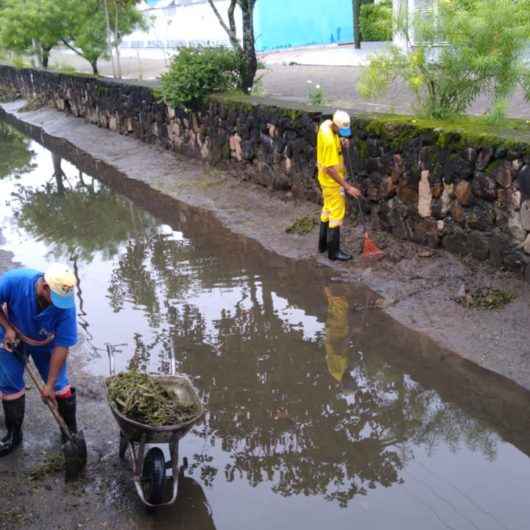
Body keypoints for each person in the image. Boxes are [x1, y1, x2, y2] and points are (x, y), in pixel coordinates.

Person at [0, 264, 78, 457]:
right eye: (56, 299)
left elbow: (62, 347)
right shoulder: (14, 281)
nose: (61, 305)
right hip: (14, 335)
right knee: (10, 382)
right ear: (44, 287)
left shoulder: (66, 307)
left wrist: (49, 385)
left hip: (46, 342)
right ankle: (14, 435)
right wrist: (7, 327)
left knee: (60, 386)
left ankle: (70, 433)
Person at [317, 110, 361, 261]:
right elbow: (330, 169)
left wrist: (340, 142)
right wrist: (347, 187)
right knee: (336, 215)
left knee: (327, 211)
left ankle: (322, 245)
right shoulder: (329, 141)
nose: (343, 133)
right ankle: (333, 253)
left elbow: (332, 138)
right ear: (335, 125)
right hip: (332, 183)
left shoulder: (326, 125)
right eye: (341, 131)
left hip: (323, 180)